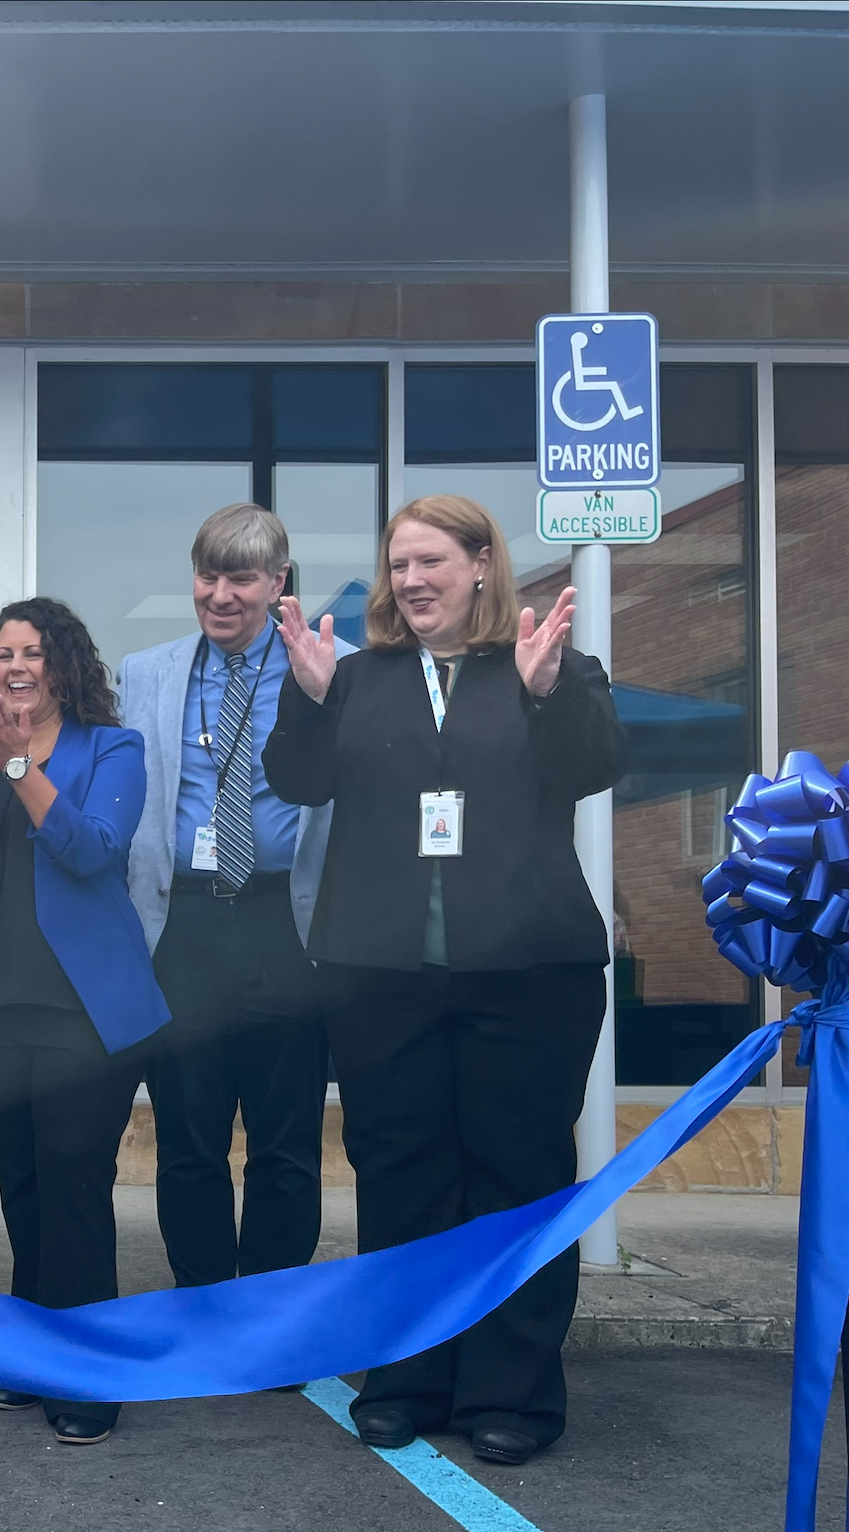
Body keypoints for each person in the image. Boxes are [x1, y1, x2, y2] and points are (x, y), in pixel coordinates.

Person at [266, 493, 623, 1467]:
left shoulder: (549, 663)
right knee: (399, 1176)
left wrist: (543, 691)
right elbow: (295, 782)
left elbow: (592, 765)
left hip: (526, 974)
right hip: (380, 974)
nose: (411, 580)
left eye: (430, 560)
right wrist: (303, 697)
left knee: (517, 1175)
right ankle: (408, 1377)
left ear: (478, 564)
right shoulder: (354, 677)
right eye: (397, 564)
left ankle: (513, 1390)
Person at [0, 599, 168, 1445]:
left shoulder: (114, 749)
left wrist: (22, 766)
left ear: (63, 665)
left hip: (81, 1011)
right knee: (22, 1184)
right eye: (2, 655)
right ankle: (32, 1353)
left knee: (74, 1185)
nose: (14, 666)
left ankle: (87, 1370)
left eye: (31, 652)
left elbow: (94, 849)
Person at [118, 504, 331, 1296]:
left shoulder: (323, 670)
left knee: (286, 1141)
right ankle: (204, 1302)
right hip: (184, 929)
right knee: (188, 1137)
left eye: (241, 578)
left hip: (287, 924)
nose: (220, 595)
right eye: (208, 576)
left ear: (278, 583)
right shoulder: (148, 673)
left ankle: (270, 1308)